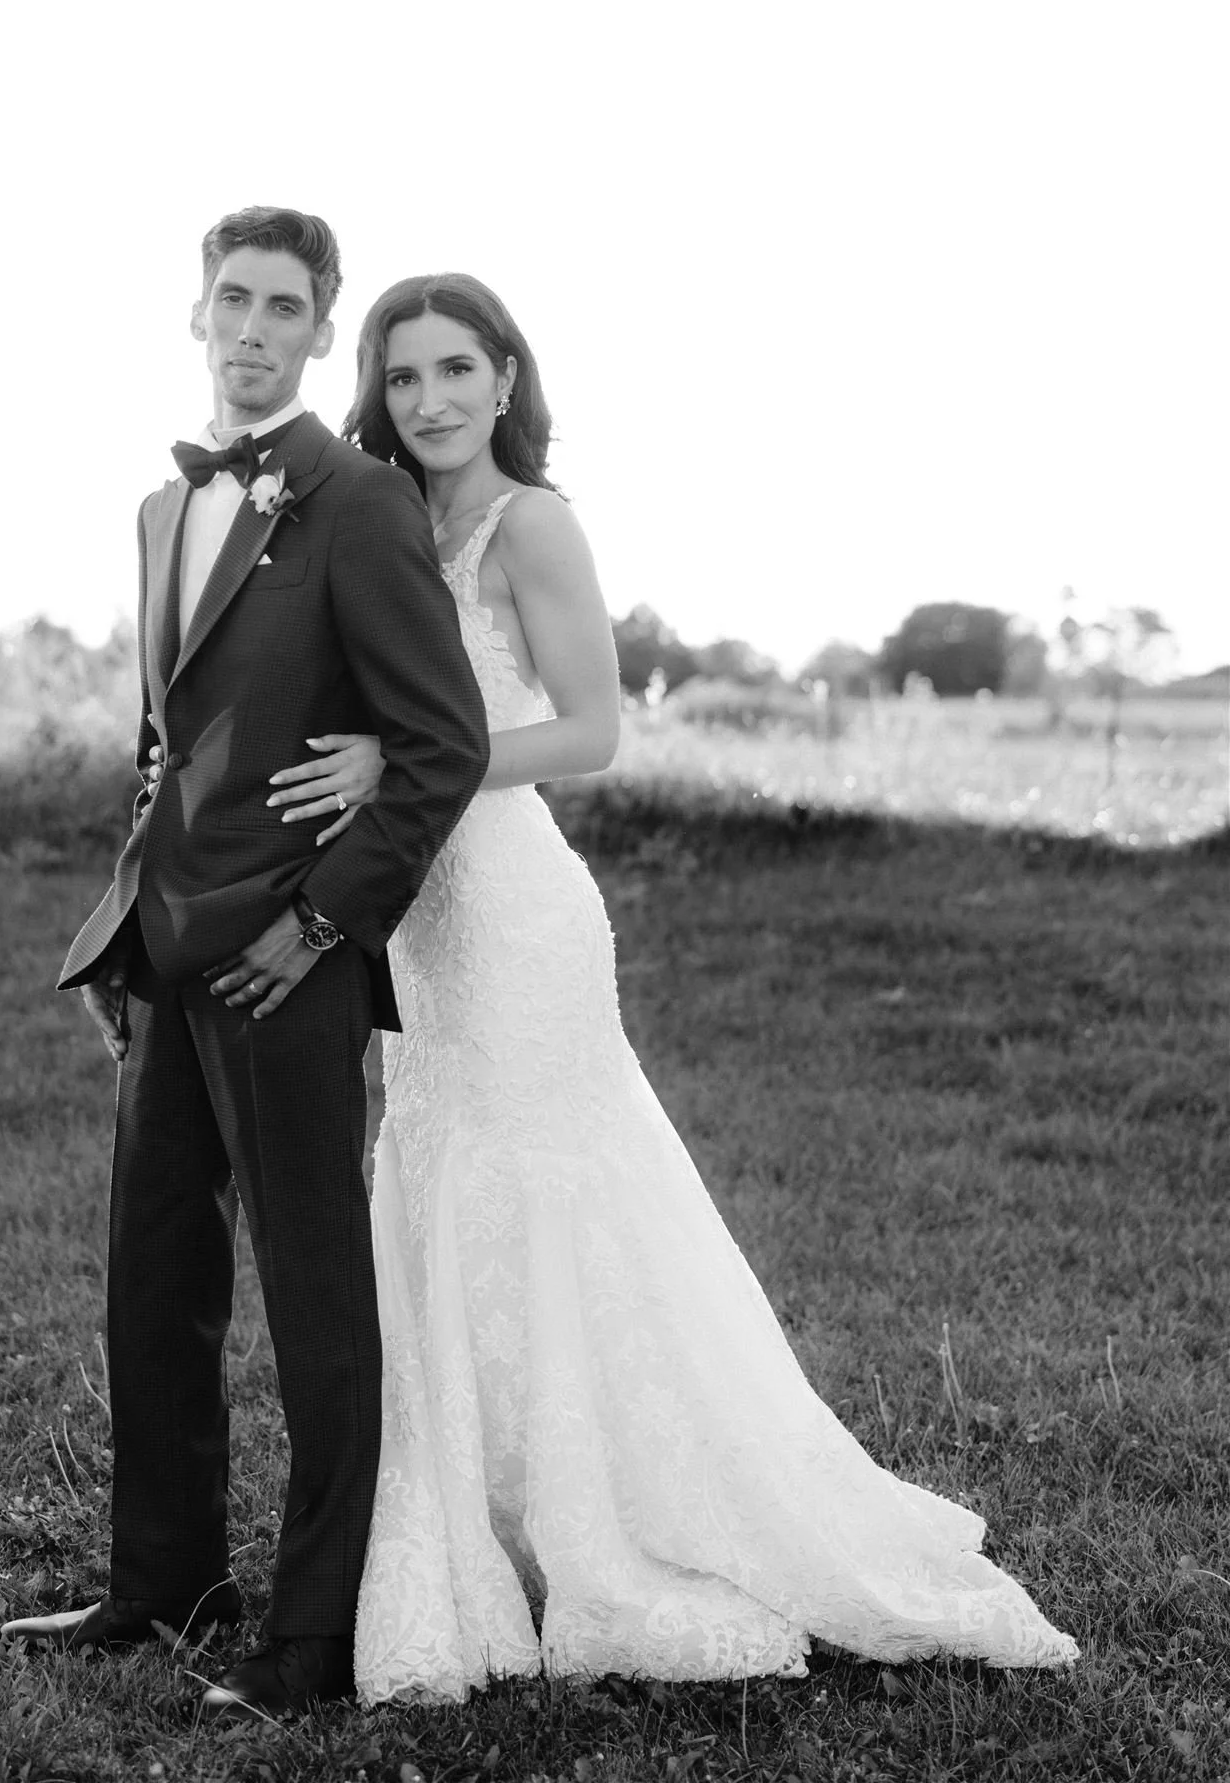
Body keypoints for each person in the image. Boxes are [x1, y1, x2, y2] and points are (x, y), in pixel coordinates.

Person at [263, 272, 1079, 1705]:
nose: (434, 400)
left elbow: (590, 733)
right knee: (448, 1176)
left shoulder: (533, 524)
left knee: (553, 1187)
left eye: (460, 369)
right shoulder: (392, 521)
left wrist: (411, 760)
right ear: (377, 395)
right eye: (404, 378)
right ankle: (480, 1516)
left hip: (514, 910)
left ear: (508, 379)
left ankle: (620, 1516)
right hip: (416, 918)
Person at [1, 212, 491, 1722]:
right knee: (154, 1283)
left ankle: (317, 1637)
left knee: (317, 1305)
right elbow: (165, 747)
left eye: (289, 305)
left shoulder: (357, 505)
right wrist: (118, 926)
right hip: (167, 957)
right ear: (196, 314)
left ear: (323, 330)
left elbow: (442, 745)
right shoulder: (164, 509)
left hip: (293, 962)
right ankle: (164, 1585)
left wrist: (323, 922)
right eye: (234, 299)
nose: (256, 326)